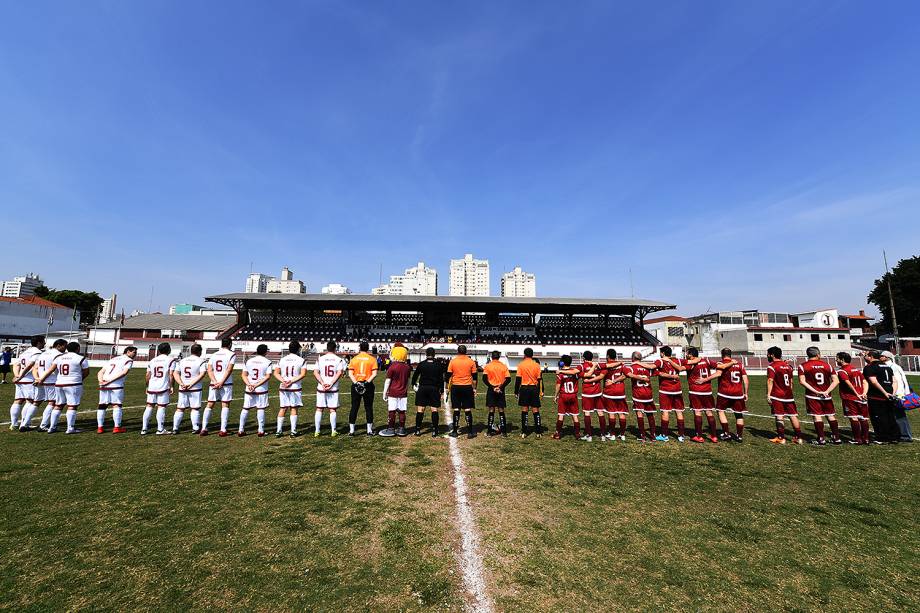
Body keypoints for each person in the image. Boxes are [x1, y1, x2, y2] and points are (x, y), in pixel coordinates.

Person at [698, 348, 747, 442]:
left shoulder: (721, 363)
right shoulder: (740, 364)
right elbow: (745, 379)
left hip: (724, 393)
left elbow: (718, 374)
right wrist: (746, 392)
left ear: (722, 354)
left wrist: (705, 380)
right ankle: (739, 436)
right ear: (730, 354)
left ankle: (726, 433)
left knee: (720, 411)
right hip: (738, 393)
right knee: (738, 414)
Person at [797, 346, 841, 445]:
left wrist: (816, 391)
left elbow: (802, 381)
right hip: (826, 395)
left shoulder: (802, 366)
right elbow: (836, 381)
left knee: (817, 416)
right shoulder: (827, 365)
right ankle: (836, 438)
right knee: (830, 415)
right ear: (818, 354)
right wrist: (826, 391)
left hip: (812, 395)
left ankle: (821, 439)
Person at [50, 342, 90, 434]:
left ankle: (52, 427)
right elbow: (86, 371)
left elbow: (53, 369)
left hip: (59, 383)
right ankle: (70, 428)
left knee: (58, 405)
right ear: (78, 348)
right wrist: (79, 379)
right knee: (72, 405)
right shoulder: (80, 358)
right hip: (73, 384)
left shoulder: (58, 357)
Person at [766, 346, 803, 444]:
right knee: (793, 415)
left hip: (777, 395)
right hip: (788, 395)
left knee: (779, 416)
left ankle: (781, 438)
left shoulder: (772, 366)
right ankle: (798, 438)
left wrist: (768, 395)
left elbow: (770, 380)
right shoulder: (788, 366)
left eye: (768, 354)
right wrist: (789, 392)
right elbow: (791, 382)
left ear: (772, 355)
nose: (767, 356)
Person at [97, 346, 137, 433]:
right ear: (128, 352)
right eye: (134, 352)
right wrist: (110, 381)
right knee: (117, 405)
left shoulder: (113, 359)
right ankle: (117, 427)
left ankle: (100, 428)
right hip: (116, 385)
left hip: (104, 385)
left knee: (102, 405)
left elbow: (100, 372)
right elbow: (124, 372)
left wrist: (101, 381)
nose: (135, 354)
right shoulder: (128, 360)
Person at [863, 350, 900, 444]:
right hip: (889, 395)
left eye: (866, 355)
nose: (864, 356)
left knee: (878, 417)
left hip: (877, 396)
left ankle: (882, 437)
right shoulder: (887, 366)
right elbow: (894, 381)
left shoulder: (869, 367)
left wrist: (884, 393)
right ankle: (894, 436)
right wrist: (892, 393)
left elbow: (873, 381)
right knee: (890, 416)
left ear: (870, 356)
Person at [684, 348, 720, 443]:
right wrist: (706, 379)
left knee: (697, 412)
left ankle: (699, 436)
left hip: (695, 391)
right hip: (707, 391)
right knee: (709, 412)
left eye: (687, 353)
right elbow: (719, 369)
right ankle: (714, 436)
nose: (686, 355)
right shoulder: (707, 360)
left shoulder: (691, 363)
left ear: (691, 354)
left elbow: (680, 368)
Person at [9, 335, 44, 431]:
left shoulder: (25, 352)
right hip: (29, 379)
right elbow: (31, 365)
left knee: (18, 400)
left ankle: (14, 424)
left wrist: (17, 376)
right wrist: (21, 376)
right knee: (30, 401)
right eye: (43, 341)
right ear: (39, 342)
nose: (44, 343)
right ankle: (25, 424)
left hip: (20, 380)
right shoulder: (37, 352)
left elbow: (16, 364)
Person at [274, 341, 308, 438]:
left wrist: (284, 381)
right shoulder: (301, 360)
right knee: (294, 408)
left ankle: (278, 431)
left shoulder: (282, 360)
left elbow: (276, 373)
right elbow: (303, 374)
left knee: (283, 408)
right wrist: (291, 381)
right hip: (295, 387)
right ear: (298, 349)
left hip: (283, 387)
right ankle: (293, 431)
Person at [654, 346, 687, 442]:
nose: (660, 354)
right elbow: (690, 362)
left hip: (665, 390)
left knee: (665, 411)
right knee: (679, 411)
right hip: (677, 389)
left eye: (661, 353)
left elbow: (654, 369)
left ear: (663, 353)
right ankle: (681, 436)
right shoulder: (678, 361)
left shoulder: (661, 361)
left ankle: (664, 435)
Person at [836, 352, 869, 445]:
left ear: (842, 360)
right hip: (861, 397)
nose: (836, 360)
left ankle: (857, 438)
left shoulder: (842, 371)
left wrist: (857, 394)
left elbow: (848, 384)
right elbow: (865, 382)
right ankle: (866, 439)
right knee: (863, 418)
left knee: (853, 418)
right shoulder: (856, 370)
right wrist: (864, 393)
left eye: (837, 358)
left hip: (850, 397)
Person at [623, 351, 657, 441]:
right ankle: (653, 436)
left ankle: (642, 436)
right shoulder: (647, 368)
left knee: (639, 413)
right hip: (648, 393)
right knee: (650, 414)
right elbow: (656, 372)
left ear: (632, 358)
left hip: (638, 394)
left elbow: (627, 374)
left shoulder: (631, 367)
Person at [204, 338, 236, 437]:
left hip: (214, 383)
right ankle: (223, 429)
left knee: (210, 404)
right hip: (226, 383)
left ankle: (204, 428)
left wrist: (214, 382)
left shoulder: (214, 355)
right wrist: (221, 382)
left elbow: (209, 370)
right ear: (230, 344)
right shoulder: (232, 354)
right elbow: (229, 370)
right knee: (225, 405)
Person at [143, 342, 176, 435]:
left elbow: (147, 375)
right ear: (169, 350)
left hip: (152, 386)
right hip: (163, 386)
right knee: (161, 407)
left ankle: (144, 429)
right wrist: (172, 386)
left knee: (149, 406)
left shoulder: (152, 360)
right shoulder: (171, 360)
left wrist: (147, 386)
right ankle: (160, 429)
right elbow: (171, 375)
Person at [240, 344, 273, 437]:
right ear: (265, 351)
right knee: (261, 408)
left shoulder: (249, 361)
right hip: (261, 388)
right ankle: (261, 431)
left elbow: (243, 375)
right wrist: (256, 385)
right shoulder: (268, 362)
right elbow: (268, 376)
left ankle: (240, 430)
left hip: (249, 388)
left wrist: (249, 384)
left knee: (245, 408)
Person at [32, 339, 64, 432]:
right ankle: (44, 425)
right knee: (52, 403)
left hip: (42, 380)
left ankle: (28, 423)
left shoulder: (43, 353)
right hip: (52, 380)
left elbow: (35, 368)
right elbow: (51, 369)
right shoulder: (58, 355)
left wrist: (37, 378)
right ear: (58, 345)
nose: (65, 348)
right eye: (64, 346)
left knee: (42, 402)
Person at [446, 345, 478, 438]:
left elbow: (448, 375)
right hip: (467, 387)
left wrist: (447, 388)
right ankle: (470, 432)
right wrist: (474, 388)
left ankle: (455, 432)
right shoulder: (471, 361)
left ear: (458, 351)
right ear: (466, 351)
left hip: (456, 387)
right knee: (467, 409)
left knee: (456, 409)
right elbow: (475, 378)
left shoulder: (453, 361)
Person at [412, 347, 445, 436]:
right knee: (434, 409)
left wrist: (413, 384)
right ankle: (435, 430)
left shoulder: (421, 364)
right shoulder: (438, 365)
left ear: (426, 354)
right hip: (434, 388)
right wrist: (442, 391)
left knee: (421, 409)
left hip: (422, 388)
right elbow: (441, 380)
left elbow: (415, 376)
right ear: (434, 354)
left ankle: (417, 430)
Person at [175, 344, 208, 434]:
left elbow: (176, 373)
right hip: (195, 388)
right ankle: (195, 427)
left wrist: (181, 383)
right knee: (195, 408)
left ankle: (175, 428)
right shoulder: (201, 361)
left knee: (180, 408)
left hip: (183, 387)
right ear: (200, 351)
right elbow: (202, 374)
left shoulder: (182, 361)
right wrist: (191, 384)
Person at [380, 345, 411, 437]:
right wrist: (406, 389)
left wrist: (384, 392)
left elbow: (388, 381)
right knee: (402, 411)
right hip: (403, 392)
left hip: (393, 392)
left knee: (392, 410)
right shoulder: (407, 367)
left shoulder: (392, 367)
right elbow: (408, 381)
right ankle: (401, 428)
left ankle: (391, 428)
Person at [882, 351, 914, 442]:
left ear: (887, 357)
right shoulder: (886, 367)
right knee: (892, 415)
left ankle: (906, 435)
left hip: (898, 394)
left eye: (882, 356)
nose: (880, 357)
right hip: (892, 394)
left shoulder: (895, 367)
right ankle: (898, 434)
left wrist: (905, 394)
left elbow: (903, 381)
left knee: (900, 415)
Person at [347, 341, 378, 436]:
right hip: (368, 385)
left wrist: (356, 383)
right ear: (368, 348)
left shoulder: (354, 359)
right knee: (368, 407)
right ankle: (369, 430)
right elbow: (374, 374)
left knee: (354, 407)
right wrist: (366, 383)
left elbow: (350, 374)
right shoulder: (372, 359)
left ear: (360, 347)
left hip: (356, 385)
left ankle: (352, 431)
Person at [514, 348, 543, 438]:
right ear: (532, 355)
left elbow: (518, 379)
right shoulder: (537, 365)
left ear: (524, 355)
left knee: (525, 409)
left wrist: (516, 391)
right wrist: (541, 391)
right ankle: (538, 432)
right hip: (534, 388)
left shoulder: (521, 365)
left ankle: (524, 432)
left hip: (524, 388)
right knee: (535, 409)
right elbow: (540, 380)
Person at [481, 350, 511, 437]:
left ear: (491, 357)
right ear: (499, 357)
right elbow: (508, 379)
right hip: (500, 390)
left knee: (491, 410)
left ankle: (489, 432)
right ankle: (504, 432)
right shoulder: (503, 366)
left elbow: (484, 379)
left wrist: (493, 387)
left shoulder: (488, 366)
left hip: (491, 390)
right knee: (501, 410)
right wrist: (500, 387)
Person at [600, 350, 628, 441]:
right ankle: (622, 434)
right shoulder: (621, 365)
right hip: (620, 391)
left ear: (608, 356)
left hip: (610, 392)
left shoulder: (607, 366)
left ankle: (612, 434)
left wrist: (611, 381)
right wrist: (616, 380)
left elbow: (601, 376)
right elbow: (625, 376)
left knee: (611, 413)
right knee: (621, 413)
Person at [579, 351, 606, 441]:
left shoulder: (582, 366)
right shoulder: (598, 365)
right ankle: (603, 435)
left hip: (587, 392)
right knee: (600, 412)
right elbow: (603, 373)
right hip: (597, 392)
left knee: (587, 413)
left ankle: (589, 435)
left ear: (584, 358)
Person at [553, 355, 581, 440]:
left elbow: (558, 385)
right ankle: (577, 434)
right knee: (575, 415)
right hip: (573, 395)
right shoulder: (575, 372)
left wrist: (555, 396)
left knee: (561, 415)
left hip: (563, 395)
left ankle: (558, 433)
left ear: (562, 362)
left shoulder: (560, 373)